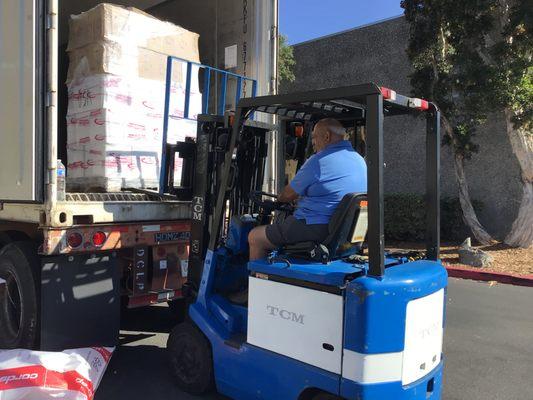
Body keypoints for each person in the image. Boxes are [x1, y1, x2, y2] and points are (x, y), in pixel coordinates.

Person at [248, 118, 367, 260]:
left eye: (315, 137)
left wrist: (281, 199)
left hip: (316, 226)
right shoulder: (359, 160)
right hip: (344, 229)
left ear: (327, 136)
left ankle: (256, 278)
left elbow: (286, 195)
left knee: (255, 236)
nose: (313, 142)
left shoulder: (319, 161)